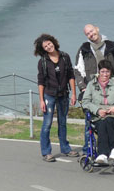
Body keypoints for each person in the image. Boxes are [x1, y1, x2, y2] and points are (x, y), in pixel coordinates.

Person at [34, 33, 78, 162]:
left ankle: (65, 148)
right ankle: (46, 152)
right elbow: (41, 82)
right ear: (43, 49)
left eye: (49, 43)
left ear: (53, 42)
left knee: (62, 123)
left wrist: (74, 94)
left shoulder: (65, 57)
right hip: (49, 95)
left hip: (64, 94)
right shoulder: (42, 62)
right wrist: (41, 100)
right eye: (45, 46)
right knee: (47, 124)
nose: (48, 46)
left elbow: (71, 75)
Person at [81, 59, 114, 164]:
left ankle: (107, 152)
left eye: (107, 72)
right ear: (99, 71)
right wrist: (97, 110)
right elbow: (85, 102)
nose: (105, 74)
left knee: (108, 121)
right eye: (102, 71)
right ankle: (109, 152)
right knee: (103, 123)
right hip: (98, 116)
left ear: (110, 72)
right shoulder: (91, 84)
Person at [74, 24, 114, 95]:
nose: (91, 34)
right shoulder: (84, 49)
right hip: (92, 89)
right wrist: (83, 88)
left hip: (111, 88)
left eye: (91, 31)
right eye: (88, 34)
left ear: (97, 29)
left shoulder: (111, 47)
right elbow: (78, 69)